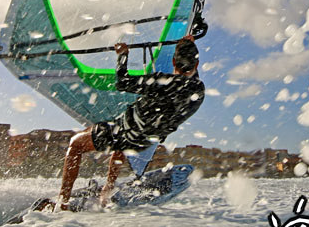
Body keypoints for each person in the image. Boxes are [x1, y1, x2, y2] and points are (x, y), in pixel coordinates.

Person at [54, 36, 204, 210]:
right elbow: (189, 77)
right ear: (197, 65)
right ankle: (107, 188)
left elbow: (123, 82)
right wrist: (189, 45)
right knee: (116, 140)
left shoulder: (162, 82)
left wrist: (123, 55)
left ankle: (62, 203)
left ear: (173, 61)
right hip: (145, 140)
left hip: (124, 132)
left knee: (75, 144)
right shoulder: (199, 91)